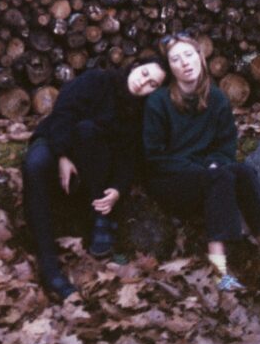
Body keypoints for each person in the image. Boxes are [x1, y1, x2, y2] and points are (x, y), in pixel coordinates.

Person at [143, 32, 260, 291]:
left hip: (207, 173)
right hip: (170, 180)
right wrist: (204, 170)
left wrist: (213, 164)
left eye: (189, 55)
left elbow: (225, 148)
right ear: (170, 67)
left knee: (244, 171)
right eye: (176, 59)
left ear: (201, 58)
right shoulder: (158, 102)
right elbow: (154, 157)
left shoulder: (218, 99)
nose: (185, 63)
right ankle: (219, 273)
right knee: (219, 176)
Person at [22, 57, 167, 301]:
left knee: (89, 132)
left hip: (94, 163)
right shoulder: (97, 80)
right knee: (35, 165)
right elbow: (63, 113)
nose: (143, 84)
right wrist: (62, 155)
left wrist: (118, 190)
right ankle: (48, 267)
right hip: (58, 141)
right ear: (134, 66)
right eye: (144, 74)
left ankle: (101, 216)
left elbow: (129, 156)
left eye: (152, 84)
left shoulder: (140, 113)